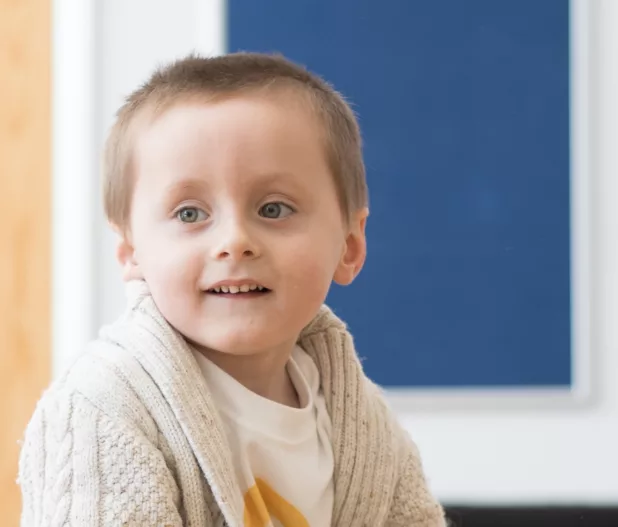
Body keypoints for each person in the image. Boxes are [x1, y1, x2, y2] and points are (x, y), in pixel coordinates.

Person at [18, 52, 445, 526]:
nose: (234, 242)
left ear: (349, 244)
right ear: (131, 252)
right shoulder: (104, 409)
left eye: (274, 209)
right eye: (189, 214)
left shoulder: (367, 428)